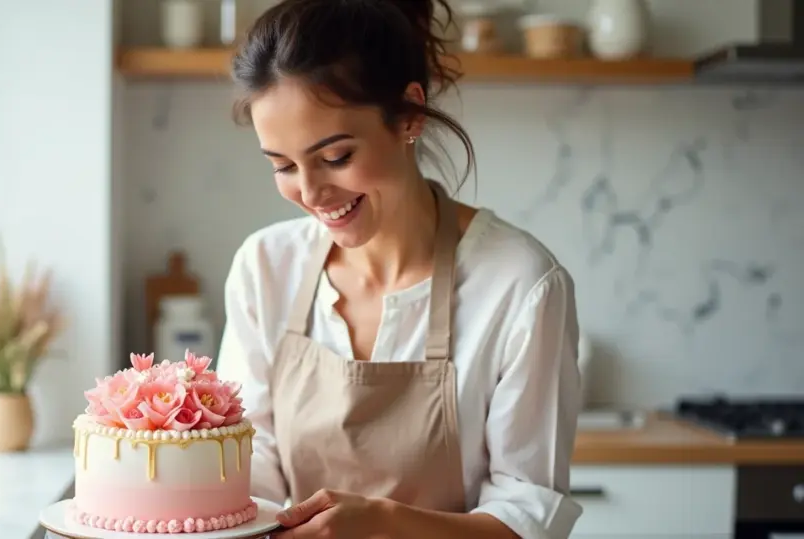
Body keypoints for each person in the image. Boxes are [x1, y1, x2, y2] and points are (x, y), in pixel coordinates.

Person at [214, 0, 584, 537]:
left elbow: (528, 513)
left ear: (409, 113)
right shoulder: (266, 267)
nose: (312, 193)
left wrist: (387, 523)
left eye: (336, 157)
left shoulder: (520, 284)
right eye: (283, 166)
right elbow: (250, 471)